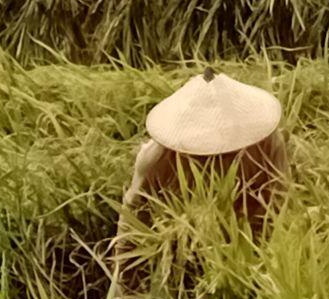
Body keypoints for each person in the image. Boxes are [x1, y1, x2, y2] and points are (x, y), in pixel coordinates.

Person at [122, 67, 289, 231]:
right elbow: (132, 220)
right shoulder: (157, 156)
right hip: (183, 238)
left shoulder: (266, 143)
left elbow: (280, 207)